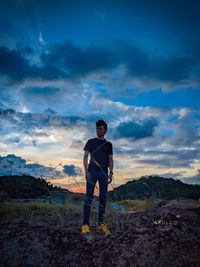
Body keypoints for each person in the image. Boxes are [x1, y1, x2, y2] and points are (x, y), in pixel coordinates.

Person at [81, 119, 113, 235]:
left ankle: (101, 225)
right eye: (97, 128)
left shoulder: (109, 145)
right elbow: (85, 157)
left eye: (101, 129)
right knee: (88, 198)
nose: (99, 130)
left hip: (104, 173)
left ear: (105, 130)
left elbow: (110, 159)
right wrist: (86, 171)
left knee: (103, 199)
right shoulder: (90, 142)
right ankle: (85, 225)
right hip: (92, 172)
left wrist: (111, 172)